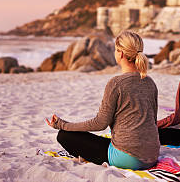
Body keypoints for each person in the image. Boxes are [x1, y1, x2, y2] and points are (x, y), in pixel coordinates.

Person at [45, 31, 159, 170]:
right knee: (106, 141)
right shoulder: (150, 82)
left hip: (129, 159)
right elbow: (152, 121)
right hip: (152, 156)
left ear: (120, 53)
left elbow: (100, 123)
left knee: (64, 136)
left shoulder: (116, 83)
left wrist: (63, 125)